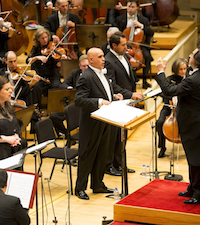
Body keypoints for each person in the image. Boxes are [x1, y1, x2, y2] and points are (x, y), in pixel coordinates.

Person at [155, 45, 200, 204]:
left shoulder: (193, 80)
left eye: (192, 54)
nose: (189, 55)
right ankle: (194, 187)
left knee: (196, 160)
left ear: (196, 61)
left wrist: (161, 72)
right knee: (194, 158)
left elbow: (169, 90)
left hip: (193, 124)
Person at [74, 47, 131, 200]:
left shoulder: (103, 73)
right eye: (100, 57)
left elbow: (102, 93)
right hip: (92, 123)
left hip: (106, 120)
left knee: (102, 154)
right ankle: (80, 188)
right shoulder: (85, 77)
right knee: (87, 155)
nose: (103, 59)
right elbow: (79, 100)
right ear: (90, 60)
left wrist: (113, 96)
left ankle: (97, 184)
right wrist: (99, 102)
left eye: (102, 56)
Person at [104, 31, 143, 176]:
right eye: (123, 45)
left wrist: (132, 97)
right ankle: (110, 166)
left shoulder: (124, 56)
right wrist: (130, 94)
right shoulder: (108, 60)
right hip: (118, 102)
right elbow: (112, 84)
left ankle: (120, 164)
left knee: (123, 135)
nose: (126, 47)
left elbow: (129, 79)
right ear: (114, 45)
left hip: (127, 101)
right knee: (114, 137)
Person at [113, 0, 154, 89]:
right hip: (124, 45)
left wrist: (142, 26)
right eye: (128, 7)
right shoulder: (120, 19)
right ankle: (130, 79)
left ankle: (144, 80)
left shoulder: (143, 20)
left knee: (146, 56)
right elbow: (114, 30)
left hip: (139, 45)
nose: (130, 9)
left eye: (132, 7)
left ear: (137, 8)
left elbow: (151, 33)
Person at [0, 76, 27, 166]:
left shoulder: (8, 106)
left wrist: (16, 136)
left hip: (11, 144)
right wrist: (7, 139)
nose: (11, 91)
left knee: (22, 143)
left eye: (10, 88)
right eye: (7, 89)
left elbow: (15, 126)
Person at [49, 54, 88, 141]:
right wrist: (70, 88)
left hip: (85, 106)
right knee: (54, 116)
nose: (86, 68)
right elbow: (64, 84)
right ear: (79, 66)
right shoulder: (75, 73)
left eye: (88, 66)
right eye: (83, 66)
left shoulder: (93, 75)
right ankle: (68, 136)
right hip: (74, 104)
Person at [156, 58, 187, 158]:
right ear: (176, 69)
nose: (183, 71)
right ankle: (162, 147)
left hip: (183, 109)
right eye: (180, 69)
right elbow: (164, 92)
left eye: (184, 68)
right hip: (169, 108)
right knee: (160, 122)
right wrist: (171, 98)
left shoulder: (188, 80)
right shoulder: (169, 79)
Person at [26, 27, 66, 97]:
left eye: (46, 37)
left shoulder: (52, 48)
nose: (45, 40)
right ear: (38, 39)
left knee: (57, 86)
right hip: (40, 77)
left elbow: (58, 64)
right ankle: (38, 107)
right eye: (42, 38)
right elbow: (28, 61)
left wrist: (61, 61)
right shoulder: (35, 49)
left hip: (52, 76)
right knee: (36, 86)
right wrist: (37, 57)